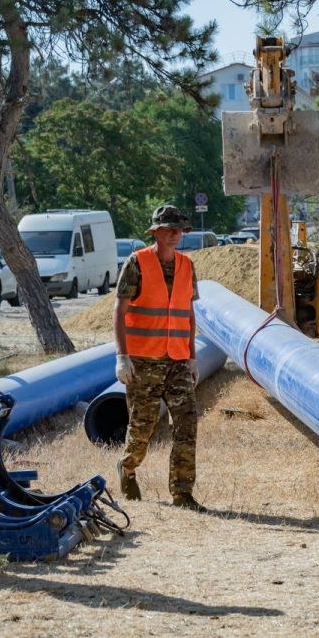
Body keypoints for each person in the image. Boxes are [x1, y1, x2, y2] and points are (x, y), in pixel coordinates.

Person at [114, 205, 203, 510]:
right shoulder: (137, 263)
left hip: (178, 360)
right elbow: (120, 311)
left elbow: (188, 314)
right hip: (143, 362)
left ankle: (182, 493)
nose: (176, 234)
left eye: (179, 230)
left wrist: (192, 357)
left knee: (187, 423)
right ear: (156, 233)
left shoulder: (187, 266)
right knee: (143, 431)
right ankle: (127, 467)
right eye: (169, 229)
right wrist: (122, 357)